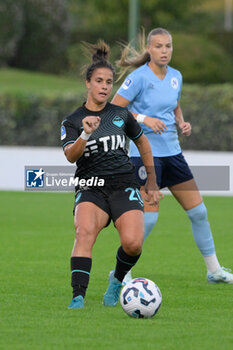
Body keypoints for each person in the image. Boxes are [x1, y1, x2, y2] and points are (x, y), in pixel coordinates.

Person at [111, 28, 233, 284]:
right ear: (149, 50)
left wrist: (181, 121)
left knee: (198, 212)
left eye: (168, 46)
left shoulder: (176, 76)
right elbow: (114, 110)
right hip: (145, 157)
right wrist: (145, 119)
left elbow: (174, 103)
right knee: (150, 219)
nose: (164, 51)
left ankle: (214, 270)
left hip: (173, 155)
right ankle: (121, 273)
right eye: (158, 46)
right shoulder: (139, 78)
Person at [61, 40, 162, 309]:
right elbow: (71, 155)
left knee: (133, 244)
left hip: (123, 184)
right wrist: (85, 133)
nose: (105, 86)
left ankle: (117, 280)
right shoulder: (73, 120)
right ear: (88, 83)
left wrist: (151, 181)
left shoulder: (120, 114)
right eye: (99, 81)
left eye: (109, 82)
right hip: (91, 186)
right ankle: (78, 296)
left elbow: (143, 143)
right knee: (84, 233)